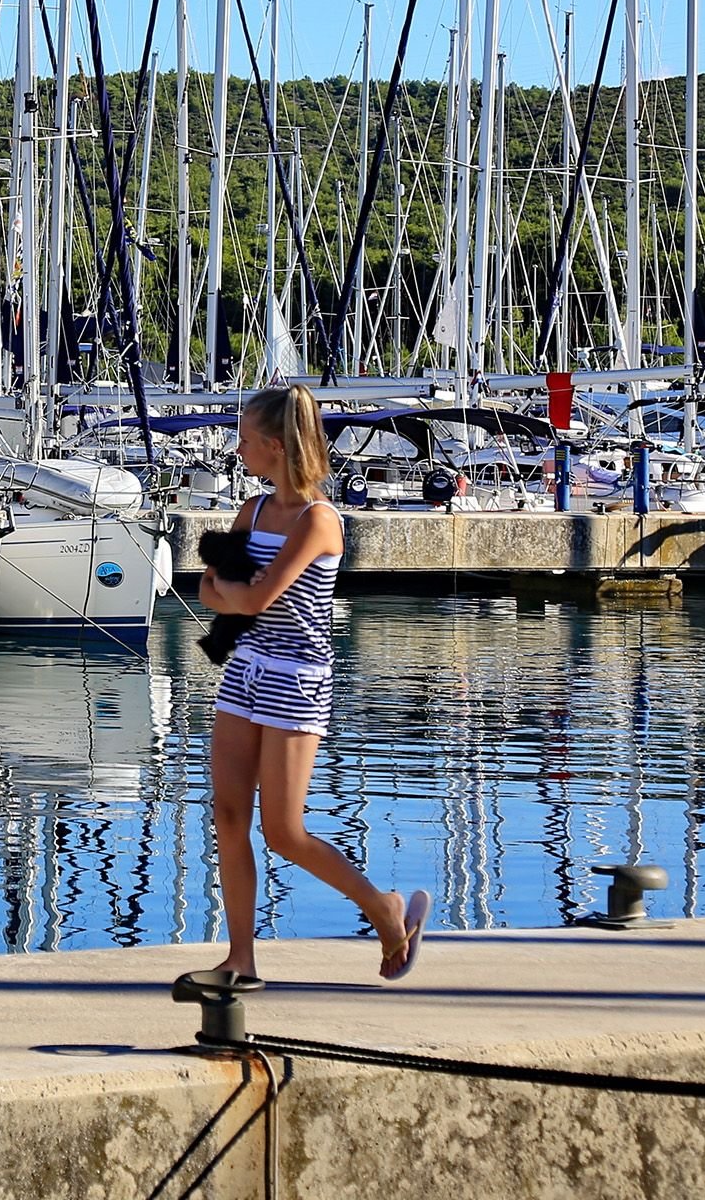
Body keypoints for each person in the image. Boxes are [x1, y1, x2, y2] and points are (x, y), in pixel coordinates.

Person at [192, 385, 429, 991]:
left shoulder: (318, 520)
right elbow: (211, 591)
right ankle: (240, 958)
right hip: (244, 670)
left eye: (245, 440)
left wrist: (233, 594)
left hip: (297, 679)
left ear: (273, 446)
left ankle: (383, 908)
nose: (237, 449)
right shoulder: (250, 512)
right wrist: (231, 594)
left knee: (284, 831)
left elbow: (255, 596)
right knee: (225, 815)